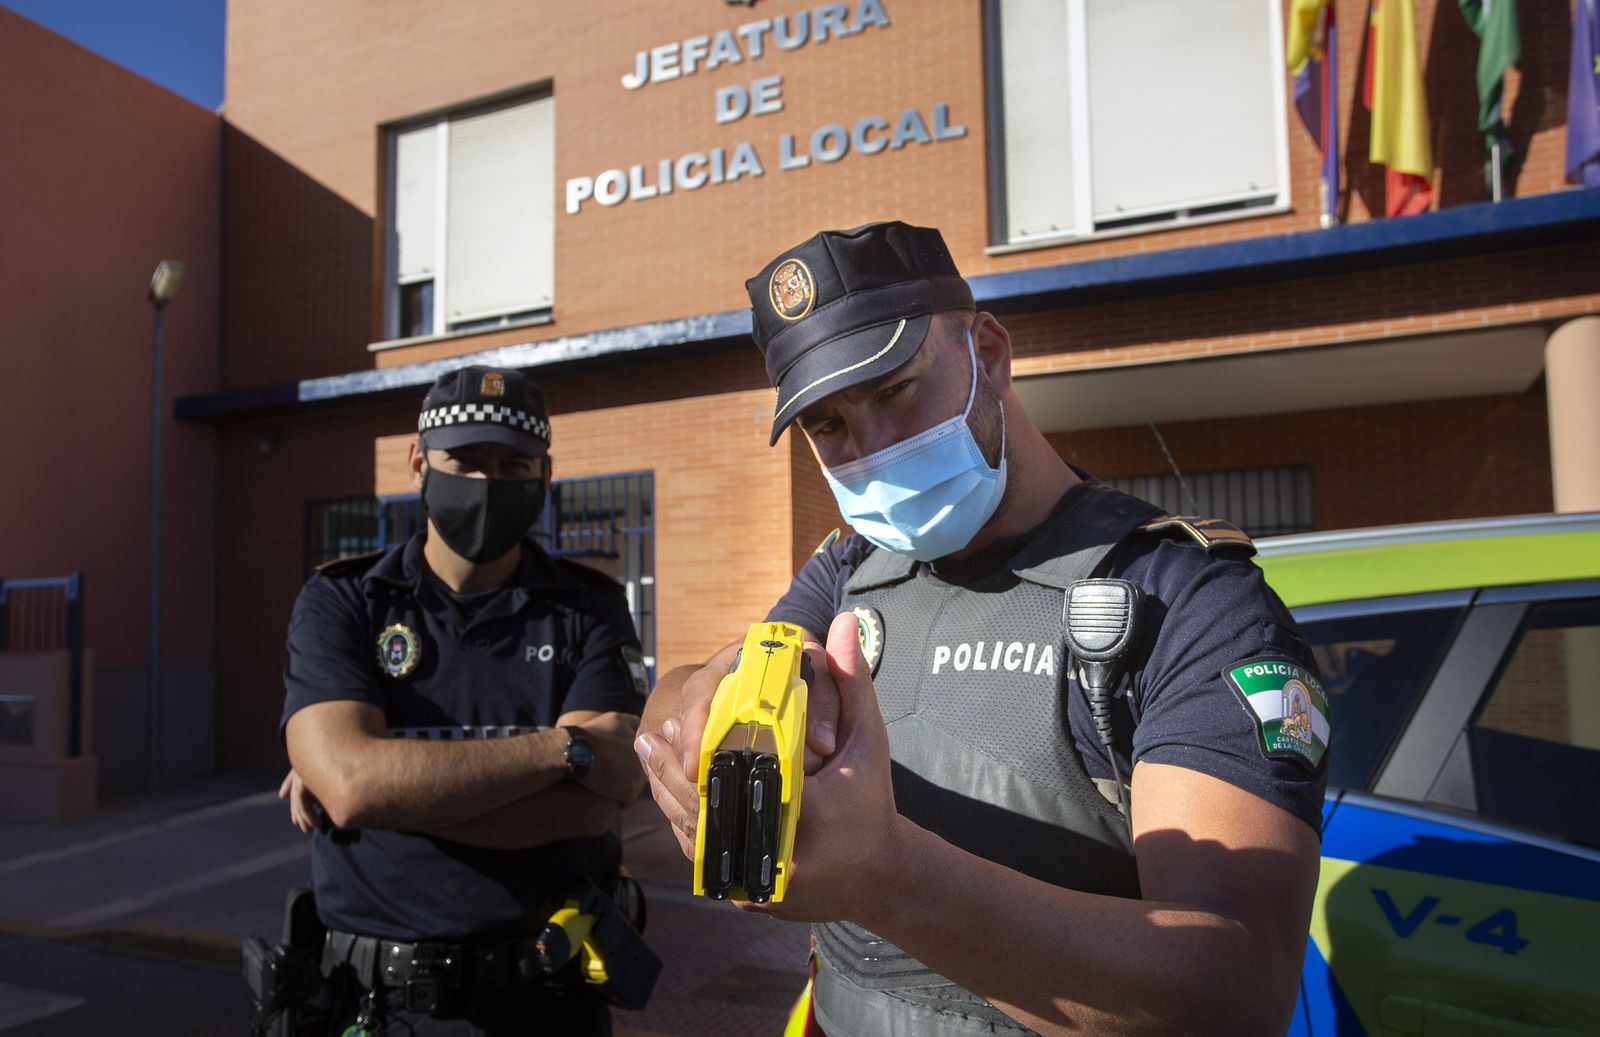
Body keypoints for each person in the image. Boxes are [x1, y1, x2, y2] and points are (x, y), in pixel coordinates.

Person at [635, 222, 1329, 1036]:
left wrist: (885, 878)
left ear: (990, 353)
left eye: (895, 388)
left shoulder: (1185, 599)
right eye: (829, 425)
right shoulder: (851, 568)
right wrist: (693, 717)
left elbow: (1236, 992)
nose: (872, 447)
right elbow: (709, 675)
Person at [277, 364, 650, 1036]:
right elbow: (354, 785)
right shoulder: (344, 601)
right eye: (467, 459)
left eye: (512, 463)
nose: (486, 483)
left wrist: (390, 788)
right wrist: (561, 748)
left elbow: (605, 794)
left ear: (544, 471)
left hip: (546, 1001)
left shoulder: (589, 606)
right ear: (418, 461)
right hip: (378, 1005)